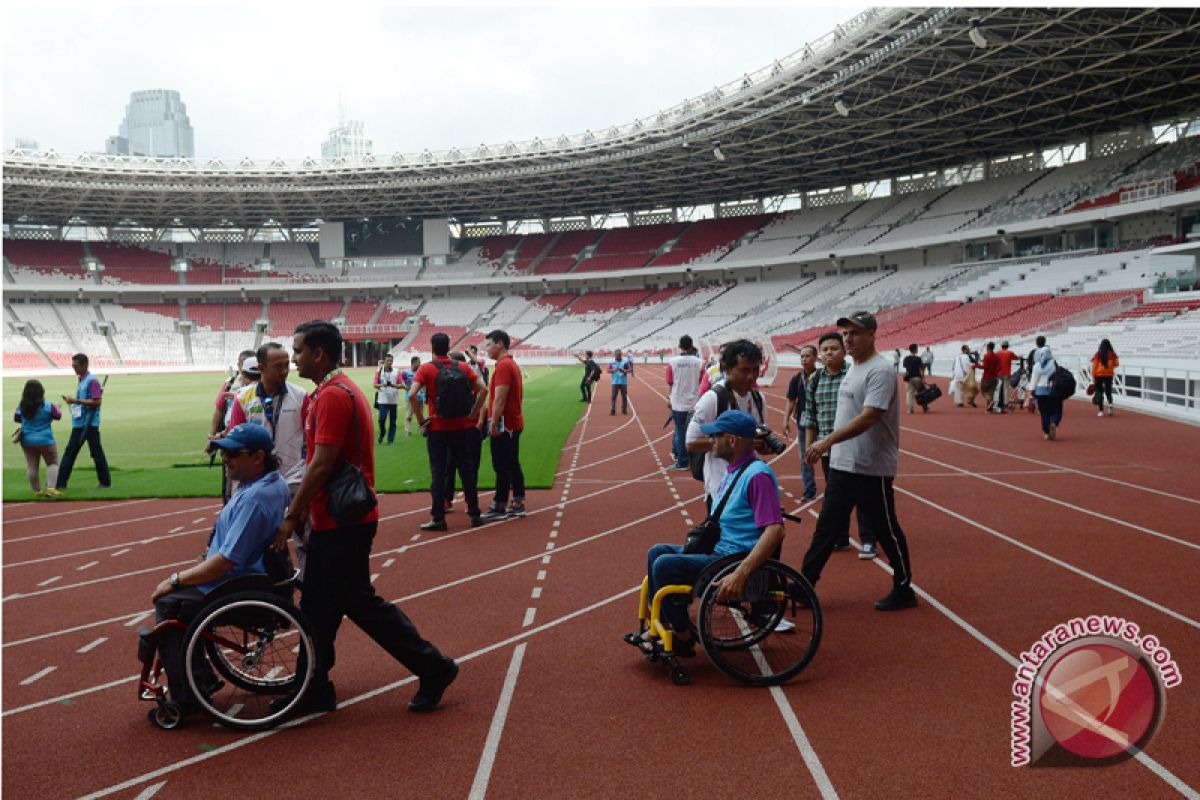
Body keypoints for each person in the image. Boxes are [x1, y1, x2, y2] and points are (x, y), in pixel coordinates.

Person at [277, 320, 459, 714]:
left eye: (298, 351)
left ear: (318, 353)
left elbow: (322, 464)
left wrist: (293, 515)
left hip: (342, 522)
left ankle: (433, 666)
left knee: (358, 605)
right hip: (341, 519)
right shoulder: (337, 391)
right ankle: (314, 685)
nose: (294, 358)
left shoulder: (331, 397)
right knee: (320, 609)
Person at [150, 422, 290, 720]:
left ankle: (188, 697)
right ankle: (201, 677)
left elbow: (226, 561)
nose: (225, 459)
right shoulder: (270, 482)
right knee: (179, 600)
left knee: (168, 604)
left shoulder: (253, 498)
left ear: (257, 457)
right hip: (248, 578)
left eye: (232, 454)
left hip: (234, 583)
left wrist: (176, 579)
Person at [628, 410, 785, 655]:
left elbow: (775, 530)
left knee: (664, 566)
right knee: (656, 552)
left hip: (732, 558)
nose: (711, 441)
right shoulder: (735, 470)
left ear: (732, 440)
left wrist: (741, 573)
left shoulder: (758, 476)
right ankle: (668, 624)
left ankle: (683, 636)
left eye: (716, 436)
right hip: (720, 550)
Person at [801, 311, 916, 611]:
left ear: (872, 335)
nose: (848, 338)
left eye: (855, 333)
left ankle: (904, 588)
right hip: (843, 463)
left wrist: (827, 440)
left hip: (870, 466)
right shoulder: (854, 368)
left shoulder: (880, 371)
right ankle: (804, 585)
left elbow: (869, 417)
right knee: (826, 528)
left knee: (885, 529)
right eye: (846, 334)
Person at [228, 342, 310, 571]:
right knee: (265, 544)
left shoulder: (301, 396)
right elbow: (237, 444)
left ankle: (310, 597)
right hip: (260, 486)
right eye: (278, 366)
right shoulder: (243, 399)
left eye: (287, 365)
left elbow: (311, 441)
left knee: (307, 543)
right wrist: (238, 491)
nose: (285, 370)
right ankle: (276, 596)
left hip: (295, 480)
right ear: (262, 367)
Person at [411, 332, 488, 530]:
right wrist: (473, 413)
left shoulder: (426, 369)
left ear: (432, 348)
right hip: (461, 427)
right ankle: (474, 514)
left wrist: (421, 421)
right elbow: (484, 390)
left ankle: (438, 518)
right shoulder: (462, 366)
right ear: (448, 346)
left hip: (437, 428)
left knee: (438, 472)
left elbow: (412, 394)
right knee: (467, 471)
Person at [804, 332, 869, 555]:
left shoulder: (854, 374)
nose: (829, 353)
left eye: (834, 348)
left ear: (843, 351)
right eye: (825, 349)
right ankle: (840, 537)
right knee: (835, 494)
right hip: (826, 448)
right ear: (819, 354)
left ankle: (868, 539)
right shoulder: (815, 380)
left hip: (855, 444)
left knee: (862, 493)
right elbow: (810, 415)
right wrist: (810, 445)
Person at [686, 339, 769, 513]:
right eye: (744, 370)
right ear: (727, 368)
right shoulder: (713, 398)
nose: (751, 376)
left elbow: (756, 441)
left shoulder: (758, 399)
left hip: (747, 485)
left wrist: (763, 445)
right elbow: (691, 443)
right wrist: (735, 442)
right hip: (720, 488)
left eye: (755, 370)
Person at [479, 330, 527, 521]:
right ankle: (517, 501)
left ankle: (500, 505)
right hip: (513, 422)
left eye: (489, 345)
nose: (487, 349)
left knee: (501, 466)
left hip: (505, 425)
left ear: (500, 344)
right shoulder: (509, 364)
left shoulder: (504, 366)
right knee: (512, 463)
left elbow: (499, 398)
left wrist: (494, 423)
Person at [55, 353, 112, 491]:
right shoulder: (82, 380)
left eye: (76, 366)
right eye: (73, 366)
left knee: (89, 453)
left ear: (84, 365)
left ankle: (61, 482)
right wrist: (75, 401)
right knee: (76, 452)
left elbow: (97, 401)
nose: (74, 368)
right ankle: (61, 482)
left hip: (89, 423)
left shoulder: (91, 381)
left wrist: (76, 401)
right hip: (81, 422)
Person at [14, 379, 63, 498]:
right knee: (52, 463)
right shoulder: (47, 406)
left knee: (32, 465)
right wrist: (58, 407)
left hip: (27, 440)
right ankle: (50, 488)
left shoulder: (21, 406)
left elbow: (17, 418)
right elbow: (58, 416)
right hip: (46, 440)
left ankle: (37, 491)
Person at [782, 344, 819, 501]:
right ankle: (809, 490)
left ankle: (835, 489)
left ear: (815, 358)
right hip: (803, 423)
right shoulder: (796, 379)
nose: (804, 359)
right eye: (802, 356)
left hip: (822, 422)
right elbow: (791, 401)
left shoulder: (822, 376)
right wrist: (785, 421)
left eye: (807, 356)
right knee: (805, 457)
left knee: (828, 457)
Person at [666, 336, 703, 471]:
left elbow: (670, 382)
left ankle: (682, 461)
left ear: (680, 346)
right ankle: (695, 459)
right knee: (695, 431)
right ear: (691, 345)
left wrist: (668, 398)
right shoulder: (700, 363)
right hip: (695, 402)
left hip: (678, 402)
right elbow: (703, 381)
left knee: (680, 432)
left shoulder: (673, 362)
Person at [1029, 336, 1063, 441]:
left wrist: (1031, 391)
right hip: (1053, 391)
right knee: (1057, 409)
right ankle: (1054, 422)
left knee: (1044, 412)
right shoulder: (1054, 363)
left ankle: (1046, 431)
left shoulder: (1037, 366)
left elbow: (1034, 380)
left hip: (1040, 391)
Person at [374, 354, 401, 445]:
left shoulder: (397, 371)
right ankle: (382, 434)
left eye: (391, 361)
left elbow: (400, 384)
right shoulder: (379, 371)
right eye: (388, 361)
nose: (389, 362)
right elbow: (374, 384)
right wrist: (382, 385)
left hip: (393, 400)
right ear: (384, 361)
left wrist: (393, 385)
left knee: (393, 421)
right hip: (383, 400)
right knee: (382, 419)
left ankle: (391, 440)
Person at [1091, 338, 1119, 417]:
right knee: (1108, 391)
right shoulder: (1112, 354)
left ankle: (1101, 411)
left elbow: (1094, 366)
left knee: (1099, 392)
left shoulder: (1098, 354)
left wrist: (1093, 377)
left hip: (1099, 375)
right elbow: (1117, 363)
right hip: (1109, 375)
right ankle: (1110, 405)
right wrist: (1110, 367)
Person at [901, 343, 927, 414]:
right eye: (917, 348)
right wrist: (923, 378)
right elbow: (921, 369)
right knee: (922, 393)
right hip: (917, 378)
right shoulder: (918, 358)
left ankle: (910, 409)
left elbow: (906, 367)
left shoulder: (906, 358)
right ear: (915, 349)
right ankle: (924, 407)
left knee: (909, 393)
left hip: (908, 378)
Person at [976, 342, 1001, 413]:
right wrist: (996, 371)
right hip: (994, 377)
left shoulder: (986, 356)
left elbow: (985, 367)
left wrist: (976, 365)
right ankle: (989, 406)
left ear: (987, 348)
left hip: (986, 377)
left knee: (983, 390)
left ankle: (990, 403)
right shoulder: (996, 356)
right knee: (991, 392)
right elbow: (1000, 367)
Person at [994, 341, 1018, 413]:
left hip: (998, 372)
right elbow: (1016, 358)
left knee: (998, 388)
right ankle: (1005, 402)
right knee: (1006, 388)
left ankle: (997, 402)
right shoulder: (1010, 353)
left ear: (1001, 346)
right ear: (1007, 346)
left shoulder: (997, 353)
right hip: (1006, 372)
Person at [401, 356, 423, 436]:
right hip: (410, 396)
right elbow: (401, 382)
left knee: (421, 415)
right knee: (409, 415)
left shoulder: (421, 372)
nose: (420, 363)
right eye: (418, 362)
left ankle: (422, 430)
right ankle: (408, 431)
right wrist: (405, 387)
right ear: (414, 363)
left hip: (420, 397)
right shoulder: (405, 372)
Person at [609, 349, 633, 415]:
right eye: (617, 356)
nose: (618, 357)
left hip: (623, 382)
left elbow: (630, 369)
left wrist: (624, 370)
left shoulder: (625, 362)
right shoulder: (611, 362)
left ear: (621, 355)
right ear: (615, 355)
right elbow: (608, 370)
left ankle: (624, 409)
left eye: (619, 356)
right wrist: (613, 370)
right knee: (613, 396)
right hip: (615, 382)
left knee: (624, 396)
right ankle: (612, 409)